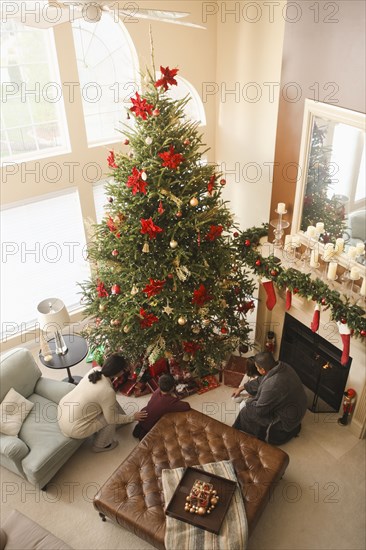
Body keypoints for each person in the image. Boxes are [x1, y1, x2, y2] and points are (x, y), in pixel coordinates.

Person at [58, 353, 147, 452]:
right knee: (110, 418)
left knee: (108, 403)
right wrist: (133, 417)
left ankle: (120, 421)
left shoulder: (94, 370)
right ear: (119, 373)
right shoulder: (107, 391)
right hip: (73, 428)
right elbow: (112, 419)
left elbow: (107, 399)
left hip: (63, 412)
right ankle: (101, 445)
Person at [232, 351, 307, 445]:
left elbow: (260, 411)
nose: (257, 370)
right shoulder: (283, 366)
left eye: (257, 368)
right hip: (297, 410)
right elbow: (261, 380)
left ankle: (235, 432)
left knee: (246, 411)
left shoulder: (272, 385)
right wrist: (242, 387)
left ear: (262, 370)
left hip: (286, 422)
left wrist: (250, 401)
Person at [132, 373, 191, 440]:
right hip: (150, 426)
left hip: (143, 417)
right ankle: (145, 433)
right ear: (172, 388)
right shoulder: (170, 402)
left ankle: (141, 427)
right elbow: (186, 406)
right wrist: (175, 397)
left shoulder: (157, 391)